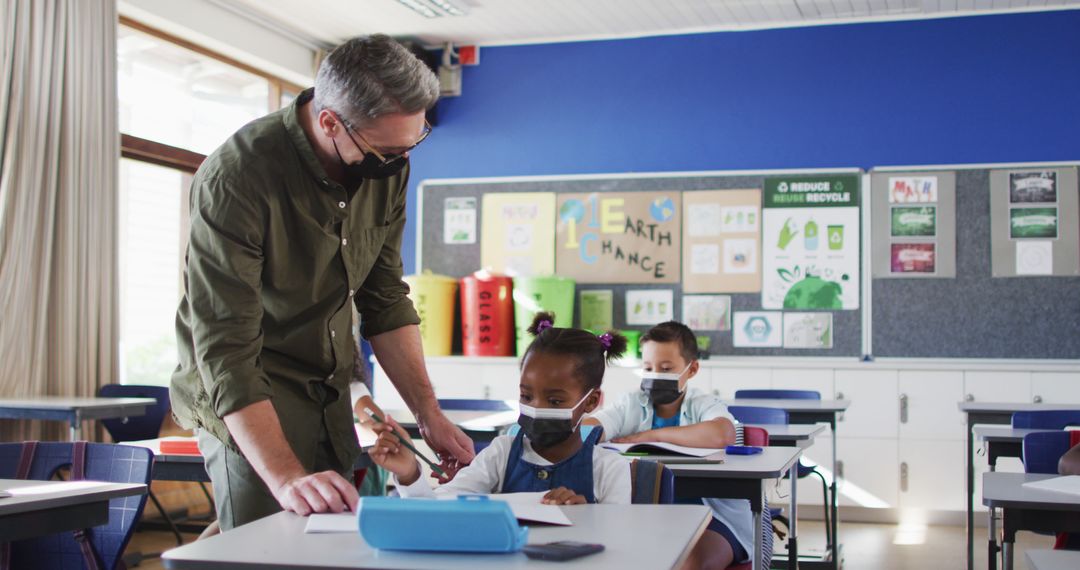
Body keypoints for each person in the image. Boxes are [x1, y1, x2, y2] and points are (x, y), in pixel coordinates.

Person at [170, 34, 474, 531]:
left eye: (412, 144)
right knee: (266, 546)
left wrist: (428, 414)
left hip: (329, 384)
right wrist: (287, 477)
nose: (399, 162)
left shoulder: (386, 159)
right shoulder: (237, 179)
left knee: (342, 540)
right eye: (387, 149)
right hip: (251, 391)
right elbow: (227, 347)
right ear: (330, 121)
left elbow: (385, 298)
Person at [369, 312, 632, 504]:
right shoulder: (500, 455)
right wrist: (409, 473)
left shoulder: (610, 470)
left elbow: (623, 547)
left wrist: (589, 518)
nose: (535, 409)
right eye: (526, 396)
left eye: (555, 401)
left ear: (591, 401)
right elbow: (437, 510)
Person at [584, 321, 749, 569]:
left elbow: (723, 433)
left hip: (711, 516)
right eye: (648, 367)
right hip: (646, 512)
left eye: (666, 368)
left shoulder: (703, 404)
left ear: (691, 369)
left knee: (690, 562)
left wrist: (651, 436)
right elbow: (595, 426)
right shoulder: (630, 403)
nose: (655, 375)